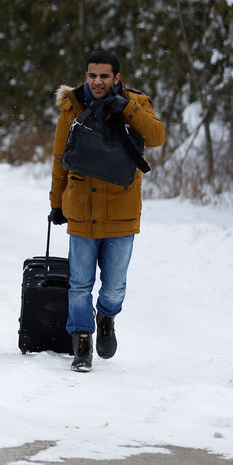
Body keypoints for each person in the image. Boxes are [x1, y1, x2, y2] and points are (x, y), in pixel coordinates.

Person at [49, 50, 167, 373]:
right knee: (79, 284)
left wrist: (127, 109)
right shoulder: (71, 107)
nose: (96, 82)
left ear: (116, 77)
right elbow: (60, 158)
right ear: (86, 76)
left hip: (121, 212)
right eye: (91, 75)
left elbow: (157, 136)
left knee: (114, 286)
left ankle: (107, 317)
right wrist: (56, 203)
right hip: (82, 212)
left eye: (104, 76)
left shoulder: (136, 102)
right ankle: (82, 340)